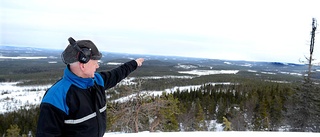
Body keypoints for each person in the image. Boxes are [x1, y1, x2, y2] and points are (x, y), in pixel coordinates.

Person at [36, 37, 144, 137]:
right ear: (83, 65)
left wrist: (134, 64)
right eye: (95, 63)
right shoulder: (56, 97)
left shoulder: (97, 81)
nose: (97, 66)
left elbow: (116, 74)